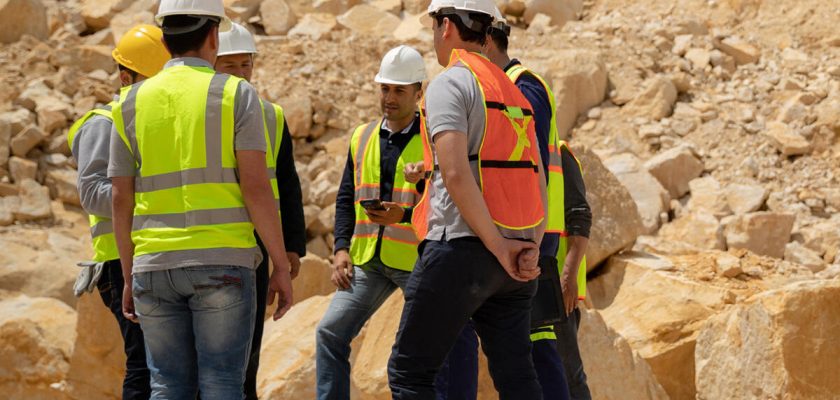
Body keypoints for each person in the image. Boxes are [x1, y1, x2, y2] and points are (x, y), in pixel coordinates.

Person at [108, 1, 293, 398]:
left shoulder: (129, 103)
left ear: (165, 37)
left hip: (153, 265)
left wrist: (128, 273)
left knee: (167, 385)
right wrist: (280, 262)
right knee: (223, 385)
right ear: (213, 35)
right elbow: (256, 188)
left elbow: (120, 199)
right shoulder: (235, 94)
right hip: (223, 263)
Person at [387, 1, 548, 398]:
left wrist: (496, 245)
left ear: (446, 26)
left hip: (460, 251)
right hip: (515, 259)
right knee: (517, 378)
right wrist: (528, 249)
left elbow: (456, 172)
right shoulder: (514, 91)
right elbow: (539, 180)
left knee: (410, 373)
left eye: (432, 26)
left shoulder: (451, 82)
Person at [433, 9, 594, 400]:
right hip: (510, 237)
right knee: (518, 355)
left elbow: (526, 167)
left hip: (528, 238)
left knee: (539, 352)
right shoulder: (498, 89)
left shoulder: (523, 89)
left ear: (486, 41)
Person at [315, 45, 428, 400]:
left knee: (416, 352)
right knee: (330, 333)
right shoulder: (361, 136)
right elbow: (346, 196)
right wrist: (341, 249)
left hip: (417, 263)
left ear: (418, 92)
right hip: (368, 260)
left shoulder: (436, 139)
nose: (389, 98)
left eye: (399, 90)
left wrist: (405, 215)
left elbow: (447, 203)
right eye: (384, 89)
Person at [67, 24, 170, 400]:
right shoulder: (102, 124)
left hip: (152, 254)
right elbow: (93, 192)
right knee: (144, 365)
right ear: (126, 77)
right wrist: (152, 193)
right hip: (118, 262)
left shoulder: (152, 121)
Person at [214, 22, 307, 400]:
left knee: (248, 354)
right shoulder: (203, 111)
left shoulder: (271, 115)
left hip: (256, 245)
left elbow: (286, 181)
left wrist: (290, 246)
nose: (240, 75)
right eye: (229, 66)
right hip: (218, 240)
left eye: (245, 65)